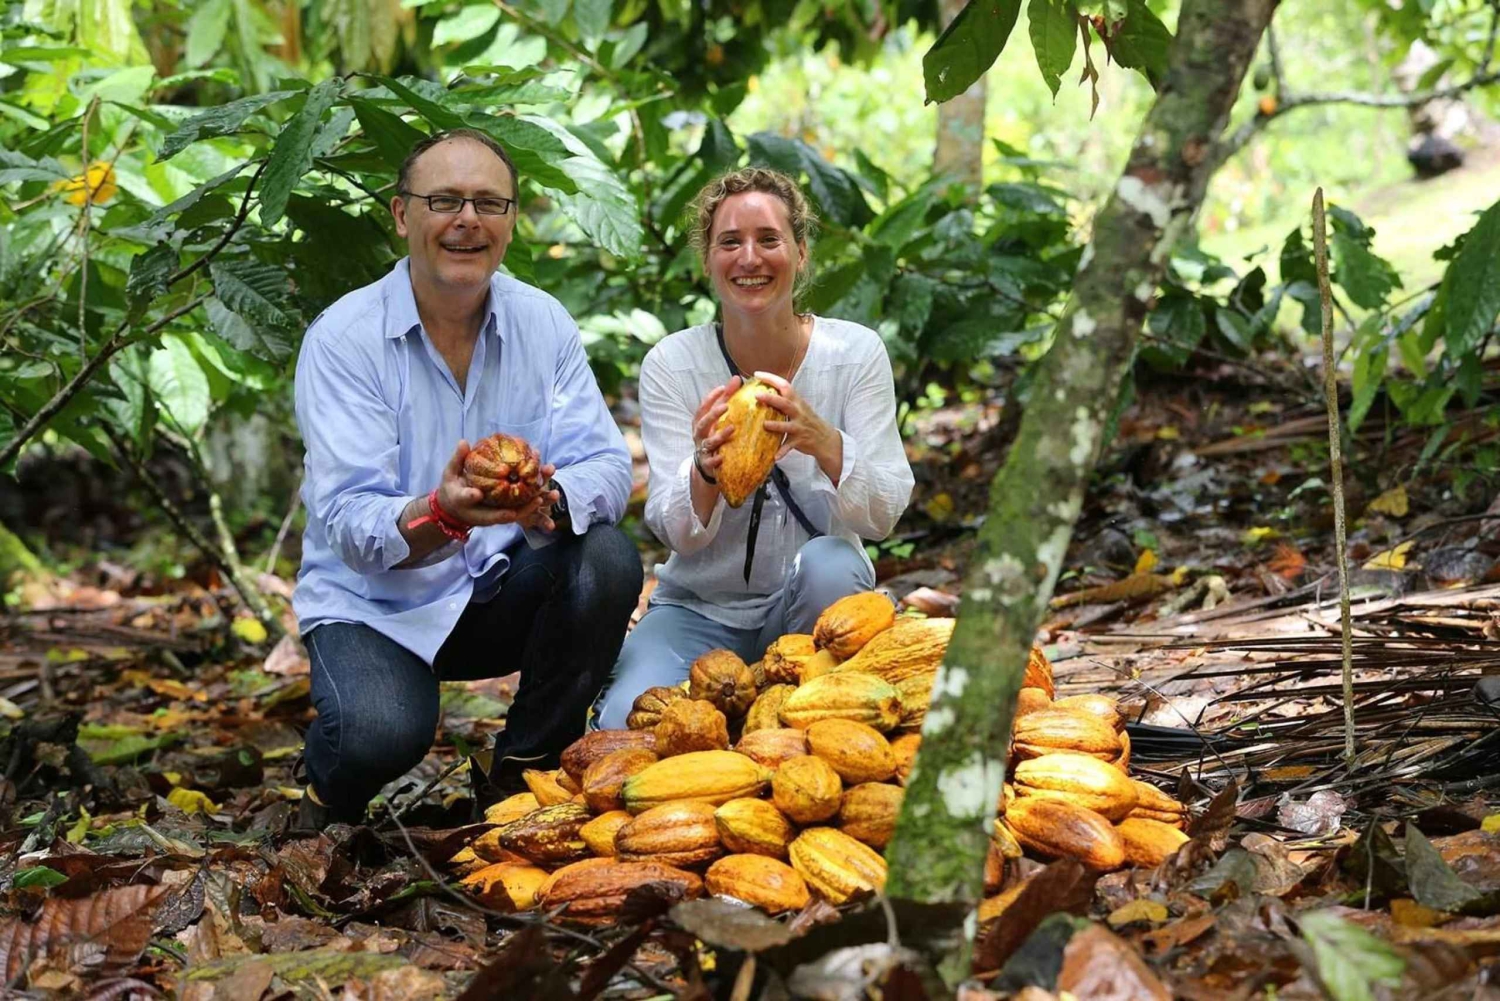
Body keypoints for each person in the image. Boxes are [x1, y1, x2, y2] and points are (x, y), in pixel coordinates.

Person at [291, 128, 641, 826]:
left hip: (497, 590)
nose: (467, 220)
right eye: (444, 200)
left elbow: (605, 463)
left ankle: (520, 774)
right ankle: (326, 794)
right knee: (379, 732)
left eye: (489, 202)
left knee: (605, 557)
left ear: (513, 220)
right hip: (376, 603)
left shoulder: (543, 323)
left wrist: (551, 497)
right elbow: (352, 523)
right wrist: (441, 512)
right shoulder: (344, 338)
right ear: (401, 215)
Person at [590, 167, 914, 729]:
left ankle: (813, 710)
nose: (750, 259)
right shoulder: (673, 363)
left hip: (809, 606)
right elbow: (676, 532)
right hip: (698, 611)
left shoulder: (854, 353)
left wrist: (823, 441)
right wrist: (706, 471)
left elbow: (885, 513)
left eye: (769, 240)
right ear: (708, 259)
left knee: (832, 561)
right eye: (730, 243)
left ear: (801, 252)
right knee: (628, 726)